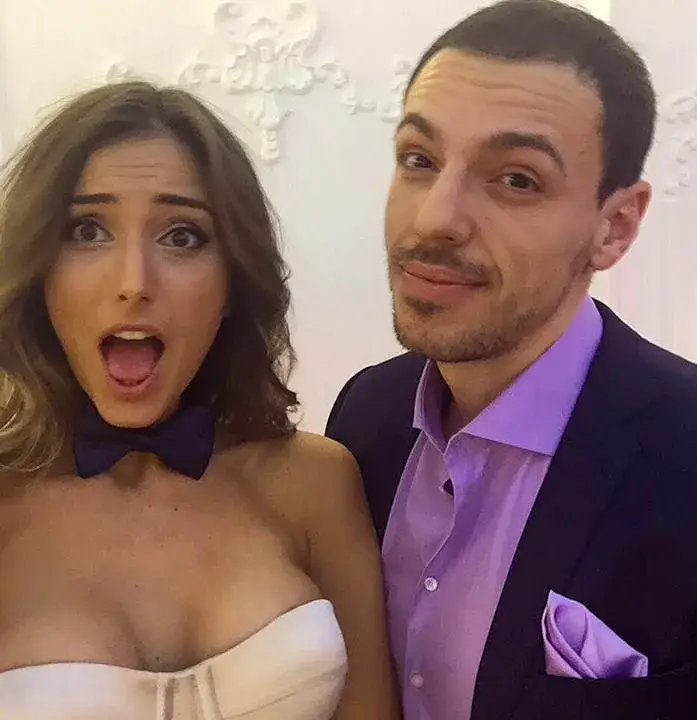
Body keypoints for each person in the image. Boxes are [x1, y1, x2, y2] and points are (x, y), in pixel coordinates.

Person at [325, 1, 697, 718]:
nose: (434, 219)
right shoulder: (366, 415)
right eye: (419, 160)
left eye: (517, 179)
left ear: (615, 227)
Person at [0, 81, 399, 720]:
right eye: (87, 230)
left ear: (233, 278)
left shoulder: (316, 483)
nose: (134, 283)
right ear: (37, 270)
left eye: (183, 237)